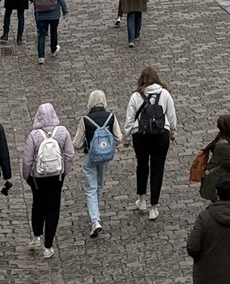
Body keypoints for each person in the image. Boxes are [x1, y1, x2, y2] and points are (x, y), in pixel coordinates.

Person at [123, 65, 177, 220]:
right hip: (161, 135)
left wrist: (126, 139)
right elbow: (172, 117)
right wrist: (173, 133)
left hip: (140, 135)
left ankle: (142, 199)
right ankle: (154, 207)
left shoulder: (136, 96)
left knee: (142, 165)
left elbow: (129, 119)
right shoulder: (165, 94)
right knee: (157, 168)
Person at [21, 102, 75, 259]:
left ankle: (37, 236)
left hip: (38, 178)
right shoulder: (63, 132)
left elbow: (27, 160)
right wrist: (64, 172)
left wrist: (27, 177)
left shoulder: (34, 136)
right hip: (56, 177)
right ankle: (48, 246)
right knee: (53, 209)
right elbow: (69, 155)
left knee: (38, 205)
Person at [73, 89, 123, 237]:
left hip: (90, 157)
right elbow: (119, 138)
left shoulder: (85, 120)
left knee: (91, 188)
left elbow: (77, 143)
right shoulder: (111, 117)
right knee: (99, 186)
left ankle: (95, 220)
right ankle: (96, 214)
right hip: (104, 156)